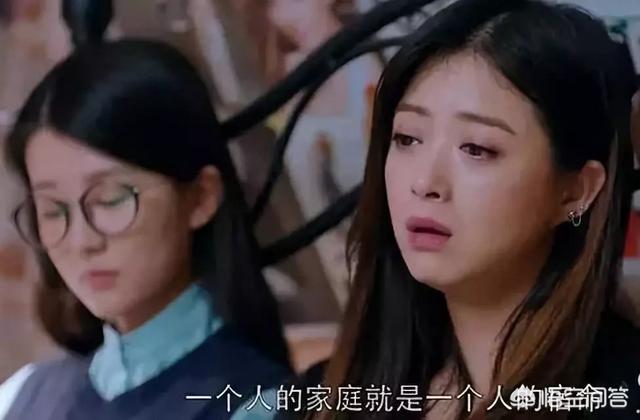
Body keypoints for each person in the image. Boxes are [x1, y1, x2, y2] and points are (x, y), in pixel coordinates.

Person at [280, 0, 640, 419]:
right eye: (407, 138)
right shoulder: (331, 395)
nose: (425, 183)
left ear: (575, 192)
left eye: (477, 148)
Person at [0, 39, 292, 420]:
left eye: (111, 199)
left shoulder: (254, 404)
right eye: (53, 209)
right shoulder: (25, 392)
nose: (82, 241)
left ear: (200, 197)